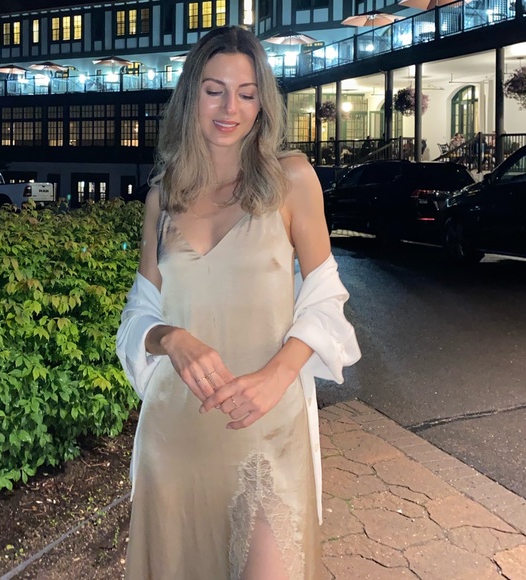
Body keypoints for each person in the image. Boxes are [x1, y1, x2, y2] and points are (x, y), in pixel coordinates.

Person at [116, 26, 360, 580]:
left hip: (268, 429)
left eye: (246, 94)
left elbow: (326, 297)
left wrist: (281, 373)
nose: (231, 108)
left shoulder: (290, 178)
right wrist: (171, 338)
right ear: (191, 96)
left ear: (262, 103)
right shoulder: (164, 196)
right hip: (175, 435)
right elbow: (138, 315)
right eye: (215, 91)